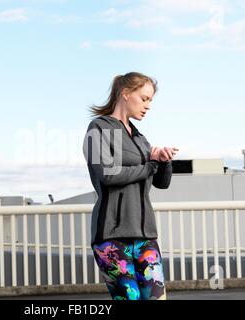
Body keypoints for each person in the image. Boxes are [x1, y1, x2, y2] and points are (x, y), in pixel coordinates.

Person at [82, 72, 178, 300]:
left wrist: (163, 162)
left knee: (156, 298)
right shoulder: (101, 128)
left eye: (150, 101)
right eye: (144, 99)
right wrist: (150, 164)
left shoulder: (140, 138)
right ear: (125, 94)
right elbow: (108, 174)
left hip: (144, 234)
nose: (148, 106)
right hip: (112, 236)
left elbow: (161, 183)